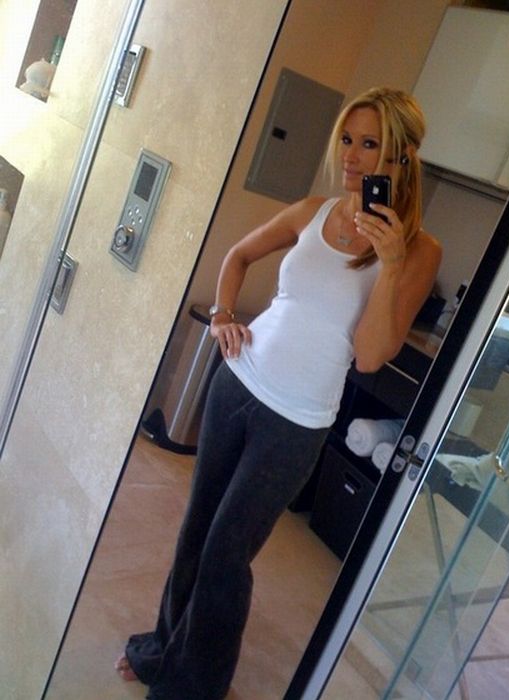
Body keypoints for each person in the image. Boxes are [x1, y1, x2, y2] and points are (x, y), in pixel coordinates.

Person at [115, 86, 442, 699]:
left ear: (400, 156)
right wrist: (222, 317)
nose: (351, 156)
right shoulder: (314, 210)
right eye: (347, 140)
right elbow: (239, 255)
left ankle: (194, 687)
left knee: (226, 552)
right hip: (237, 383)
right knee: (197, 529)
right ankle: (163, 649)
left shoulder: (419, 250)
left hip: (297, 421)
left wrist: (391, 263)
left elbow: (371, 355)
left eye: (369, 144)